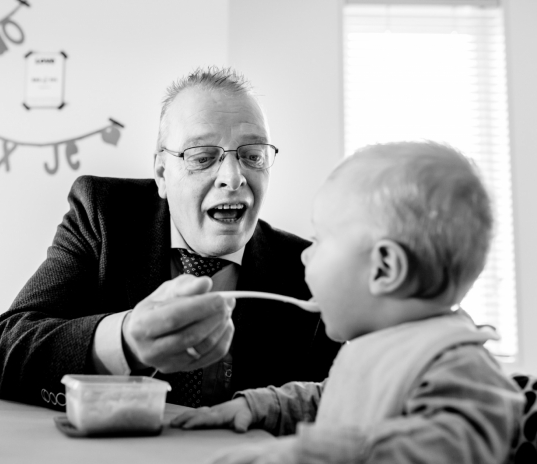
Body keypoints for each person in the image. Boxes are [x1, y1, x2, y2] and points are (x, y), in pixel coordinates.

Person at [0, 67, 341, 410]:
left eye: (253, 155)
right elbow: (2, 352)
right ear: (162, 173)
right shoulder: (103, 214)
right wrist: (126, 340)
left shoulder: (307, 270)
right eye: (202, 157)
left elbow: (335, 407)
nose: (233, 176)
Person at [171, 141, 525, 464]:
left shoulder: (458, 366)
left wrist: (304, 455)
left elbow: (450, 449)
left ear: (385, 268)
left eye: (321, 240)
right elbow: (331, 403)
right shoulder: (373, 352)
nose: (306, 256)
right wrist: (256, 407)